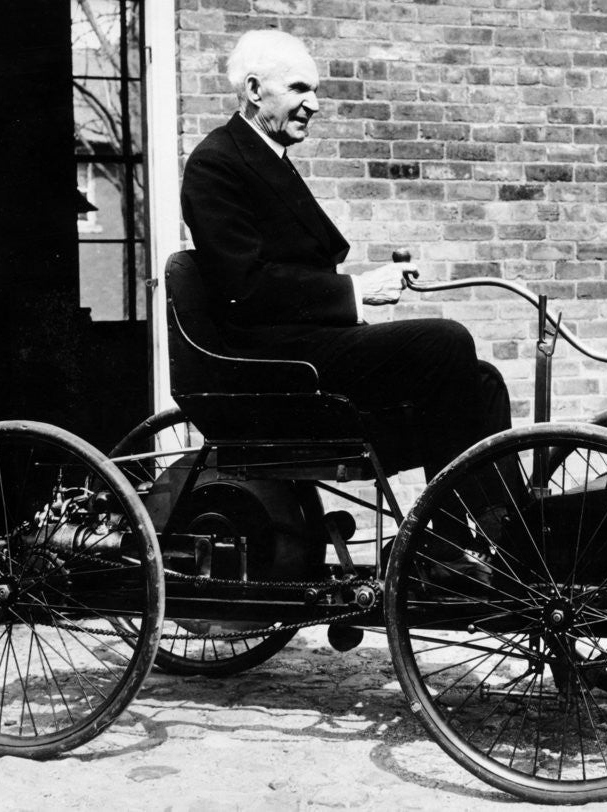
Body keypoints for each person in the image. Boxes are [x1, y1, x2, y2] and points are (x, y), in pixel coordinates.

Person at [180, 30, 515, 586]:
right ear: (256, 89)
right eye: (300, 89)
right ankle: (441, 547)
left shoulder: (268, 158)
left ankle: (503, 539)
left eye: (315, 89)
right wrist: (354, 294)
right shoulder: (218, 162)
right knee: (445, 340)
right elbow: (244, 288)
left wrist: (350, 298)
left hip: (305, 348)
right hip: (273, 365)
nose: (313, 103)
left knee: (481, 381)